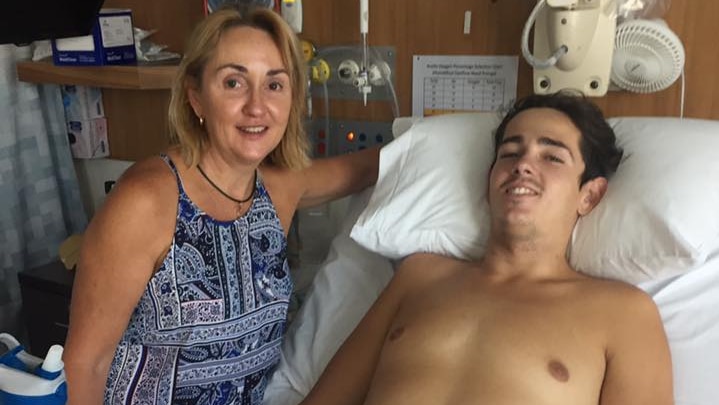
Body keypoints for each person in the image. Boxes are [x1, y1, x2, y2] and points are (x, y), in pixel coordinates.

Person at [63, 6, 380, 405]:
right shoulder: (145, 200)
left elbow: (371, 166)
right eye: (234, 82)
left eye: (275, 85)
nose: (257, 106)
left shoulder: (279, 188)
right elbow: (85, 364)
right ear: (196, 98)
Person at [300, 92, 673, 405]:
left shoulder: (623, 313)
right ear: (489, 180)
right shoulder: (419, 277)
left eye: (552, 156)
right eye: (510, 153)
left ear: (589, 196)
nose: (524, 165)